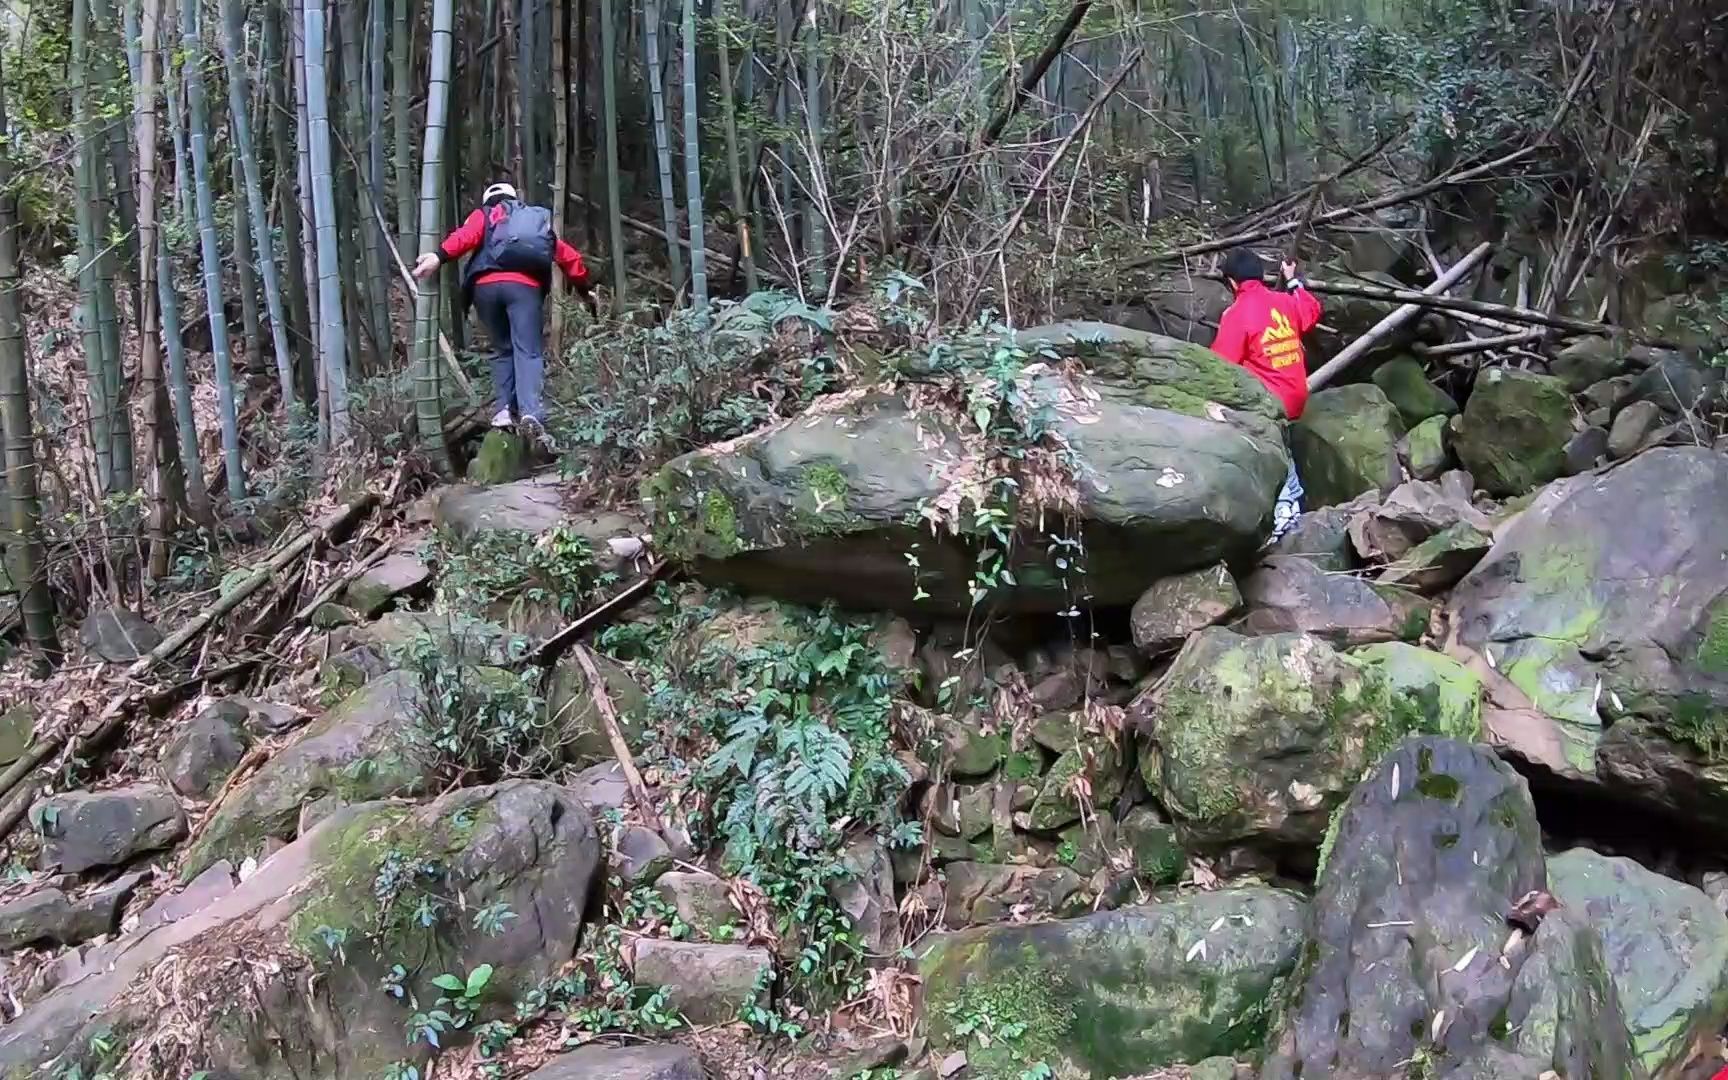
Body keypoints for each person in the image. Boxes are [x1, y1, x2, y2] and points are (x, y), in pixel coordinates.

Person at [412, 182, 592, 447]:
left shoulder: (485, 215)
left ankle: (504, 411)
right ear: (513, 198)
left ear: (488, 200)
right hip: (524, 289)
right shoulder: (532, 221)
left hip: (485, 290)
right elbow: (568, 256)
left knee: (502, 350)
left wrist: (438, 257)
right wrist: (584, 291)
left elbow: (466, 236)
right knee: (527, 350)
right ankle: (531, 412)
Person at [1210, 246, 1324, 542]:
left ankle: (1286, 510)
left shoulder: (1236, 314)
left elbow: (1221, 365)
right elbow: (1311, 310)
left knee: (1271, 448)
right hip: (1297, 394)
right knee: (1282, 445)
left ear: (1232, 283)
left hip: (1270, 403)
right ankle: (1290, 502)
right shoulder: (1284, 301)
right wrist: (1292, 279)